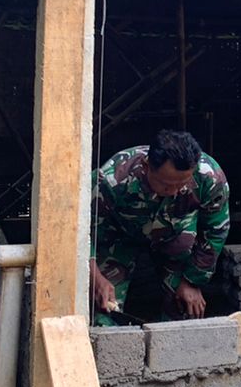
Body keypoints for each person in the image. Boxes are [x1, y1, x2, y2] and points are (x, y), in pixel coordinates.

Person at [89, 129, 231, 323]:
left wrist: (192, 280)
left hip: (174, 235)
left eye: (182, 184)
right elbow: (83, 232)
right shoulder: (110, 180)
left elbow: (215, 231)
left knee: (186, 306)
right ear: (146, 166)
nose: (174, 192)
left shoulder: (209, 177)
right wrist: (95, 278)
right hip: (118, 236)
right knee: (103, 305)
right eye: (166, 185)